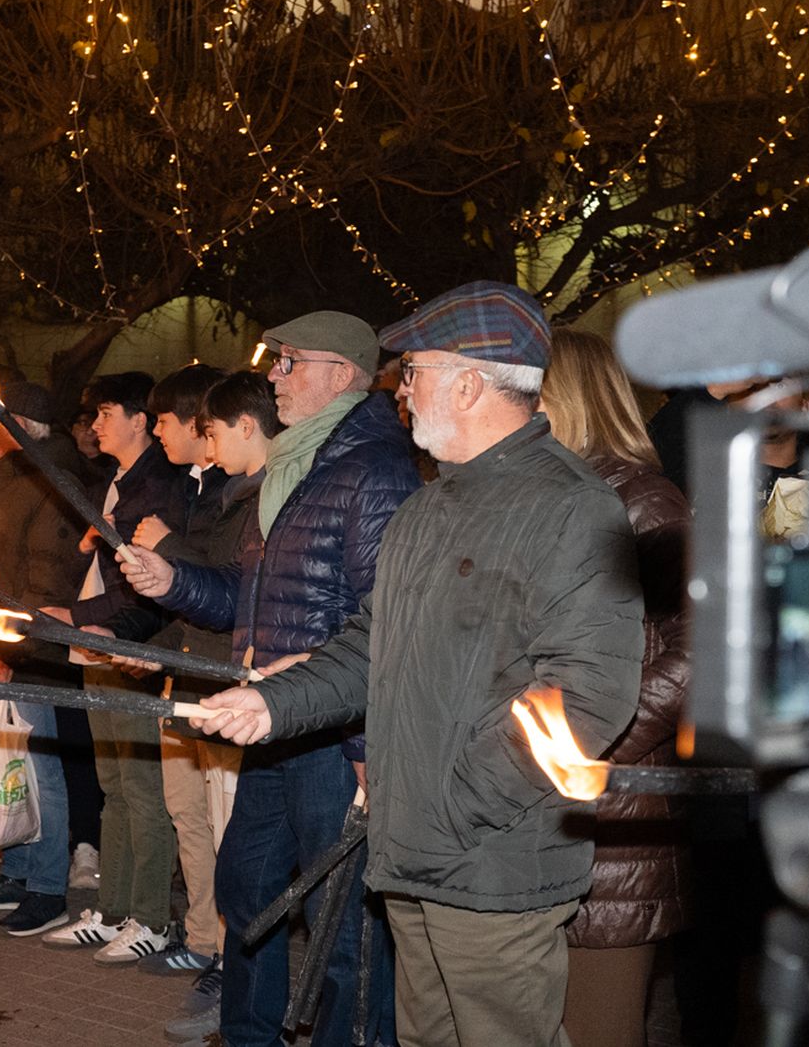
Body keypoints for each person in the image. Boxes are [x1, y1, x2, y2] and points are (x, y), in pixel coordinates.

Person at [190, 282, 645, 1047]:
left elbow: (588, 695)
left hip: (492, 866)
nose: (399, 389)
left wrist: (455, 803)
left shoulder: (573, 508)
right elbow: (373, 642)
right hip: (413, 852)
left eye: (414, 371)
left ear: (469, 383)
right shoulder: (428, 506)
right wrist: (274, 704)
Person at [125, 312, 418, 1047]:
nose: (274, 376)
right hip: (275, 725)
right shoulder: (296, 465)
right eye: (276, 361)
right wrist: (172, 580)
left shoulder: (374, 470)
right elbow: (247, 599)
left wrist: (367, 748)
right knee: (247, 888)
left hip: (334, 736)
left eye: (290, 363)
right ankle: (250, 1034)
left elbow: (388, 622)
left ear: (341, 375)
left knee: (341, 927)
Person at [540, 328, 693, 1047]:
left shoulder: (644, 501)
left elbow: (700, 650)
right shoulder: (543, 495)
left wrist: (595, 739)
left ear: (569, 396)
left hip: (616, 812)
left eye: (532, 392)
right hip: (546, 805)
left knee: (600, 1023)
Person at [116, 369, 281, 1030]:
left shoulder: (266, 498)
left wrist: (167, 549)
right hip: (193, 676)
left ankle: (235, 966)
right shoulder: (223, 492)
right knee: (196, 820)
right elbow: (194, 598)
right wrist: (149, 645)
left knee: (234, 837)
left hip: (232, 687)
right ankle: (211, 944)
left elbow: (229, 590)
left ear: (243, 426)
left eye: (209, 432)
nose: (202, 446)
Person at [39, 371, 188, 963]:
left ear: (139, 420)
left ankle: (151, 917)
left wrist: (76, 615)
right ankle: (113, 909)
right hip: (98, 643)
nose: (94, 425)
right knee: (114, 785)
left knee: (142, 789)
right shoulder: (117, 482)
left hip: (129, 647)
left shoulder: (159, 486)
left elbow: (146, 588)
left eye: (106, 413)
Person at [0, 381, 90, 936]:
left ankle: (48, 889)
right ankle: (19, 871)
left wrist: (9, 653)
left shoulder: (51, 482)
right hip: (3, 645)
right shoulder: (7, 481)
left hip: (31, 651)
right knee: (14, 764)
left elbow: (46, 581)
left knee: (41, 771)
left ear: (23, 426)